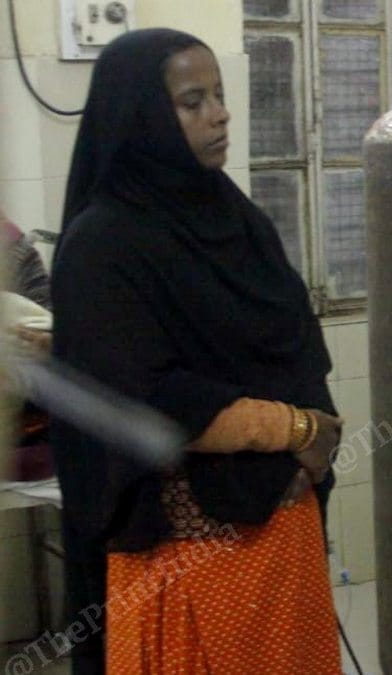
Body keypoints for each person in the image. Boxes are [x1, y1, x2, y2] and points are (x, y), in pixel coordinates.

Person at [51, 29, 343, 674]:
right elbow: (145, 400)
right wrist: (293, 429)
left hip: (282, 531)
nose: (219, 114)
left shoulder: (239, 223)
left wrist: (313, 438)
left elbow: (297, 350)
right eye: (192, 102)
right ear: (141, 117)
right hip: (186, 556)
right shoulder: (103, 246)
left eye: (218, 94)